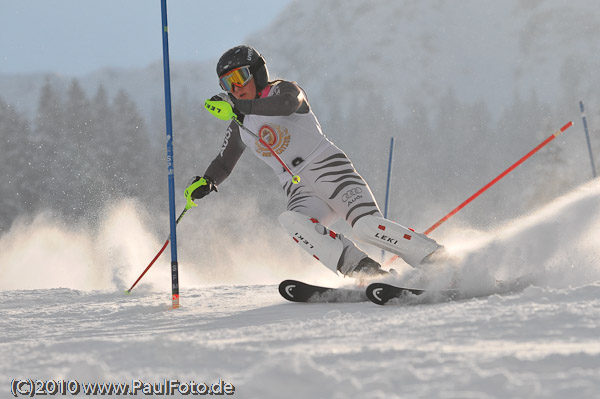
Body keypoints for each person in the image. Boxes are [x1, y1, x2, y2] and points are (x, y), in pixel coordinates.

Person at [185, 45, 441, 277]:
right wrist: (207, 182)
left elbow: (287, 104)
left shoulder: (284, 90)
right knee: (293, 221)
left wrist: (243, 107)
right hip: (298, 188)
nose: (235, 88)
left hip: (328, 169)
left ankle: (435, 258)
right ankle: (363, 270)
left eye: (239, 77)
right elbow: (223, 162)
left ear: (257, 72)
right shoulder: (241, 123)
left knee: (366, 226)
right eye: (226, 84)